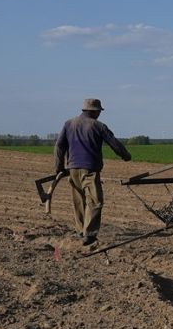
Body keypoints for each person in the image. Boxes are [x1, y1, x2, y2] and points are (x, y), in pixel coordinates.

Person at [54, 98, 131, 248]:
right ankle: (89, 234)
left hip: (72, 170)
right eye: (99, 112)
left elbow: (59, 146)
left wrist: (59, 167)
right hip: (89, 170)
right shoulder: (98, 126)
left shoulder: (69, 124)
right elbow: (114, 143)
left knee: (79, 200)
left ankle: (81, 230)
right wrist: (126, 156)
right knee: (95, 202)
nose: (99, 114)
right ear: (94, 111)